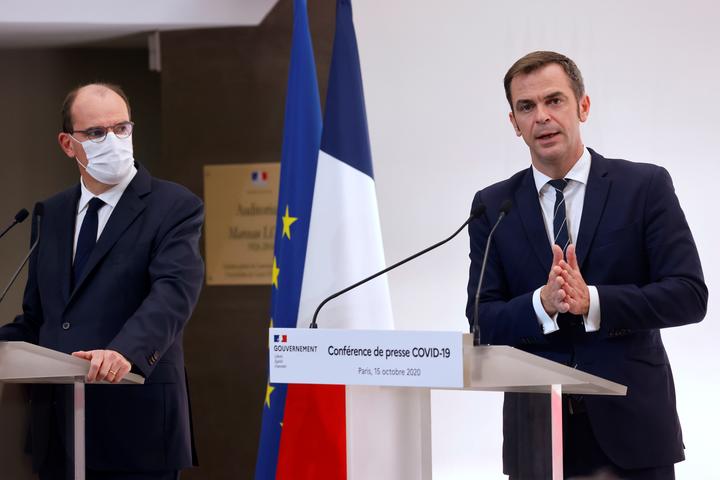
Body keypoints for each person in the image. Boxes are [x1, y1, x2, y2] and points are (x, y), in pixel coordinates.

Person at [466, 51, 707, 479]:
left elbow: (688, 295)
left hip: (634, 433)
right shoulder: (493, 206)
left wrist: (593, 301)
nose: (541, 116)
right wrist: (542, 304)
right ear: (514, 123)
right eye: (527, 107)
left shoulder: (645, 187)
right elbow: (481, 322)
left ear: (583, 106)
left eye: (554, 100)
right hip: (537, 437)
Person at [0, 83, 204, 479]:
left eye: (122, 128)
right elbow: (39, 317)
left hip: (135, 421)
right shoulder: (51, 213)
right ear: (67, 143)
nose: (113, 141)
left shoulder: (174, 206)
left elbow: (173, 295)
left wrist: (123, 352)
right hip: (58, 428)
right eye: (96, 133)